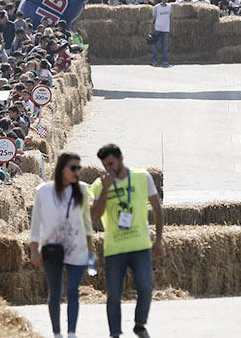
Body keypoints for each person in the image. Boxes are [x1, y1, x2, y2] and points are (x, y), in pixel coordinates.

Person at [90, 143, 163, 338]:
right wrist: (106, 189)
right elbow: (95, 215)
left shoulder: (142, 177)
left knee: (146, 288)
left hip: (140, 245)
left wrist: (159, 240)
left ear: (121, 158)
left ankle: (140, 324)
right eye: (105, 166)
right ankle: (114, 332)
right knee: (114, 295)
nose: (109, 169)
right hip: (115, 248)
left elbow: (157, 209)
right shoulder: (99, 184)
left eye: (112, 163)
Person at [30, 152, 93, 338]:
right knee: (55, 292)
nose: (76, 172)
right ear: (62, 169)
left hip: (77, 247)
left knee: (73, 290)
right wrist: (34, 250)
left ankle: (72, 332)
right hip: (51, 248)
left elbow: (87, 221)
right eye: (73, 168)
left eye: (78, 168)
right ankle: (57, 332)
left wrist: (91, 249)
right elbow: (36, 222)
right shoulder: (43, 191)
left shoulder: (82, 189)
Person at [150, 0, 172, 68]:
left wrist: (172, 26)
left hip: (166, 29)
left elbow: (171, 17)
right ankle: (154, 60)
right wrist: (152, 28)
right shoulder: (156, 7)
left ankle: (165, 60)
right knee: (156, 46)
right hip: (158, 28)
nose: (164, 0)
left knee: (165, 46)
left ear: (167, 0)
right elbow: (154, 18)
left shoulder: (169, 7)